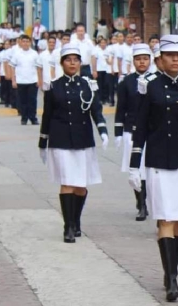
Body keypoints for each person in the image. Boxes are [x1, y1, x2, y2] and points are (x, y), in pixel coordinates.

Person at [128, 34, 178, 302]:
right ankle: (171, 277)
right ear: (159, 59)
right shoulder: (149, 86)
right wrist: (133, 166)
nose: (175, 59)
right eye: (170, 55)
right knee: (165, 218)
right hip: (159, 159)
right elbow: (140, 126)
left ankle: (172, 269)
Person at [38, 44, 108, 243]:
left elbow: (96, 110)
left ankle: (76, 220)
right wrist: (43, 141)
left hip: (82, 138)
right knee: (67, 182)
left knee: (81, 186)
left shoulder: (88, 85)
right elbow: (47, 115)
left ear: (80, 63)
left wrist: (103, 130)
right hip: (60, 139)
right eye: (68, 60)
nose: (72, 63)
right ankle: (68, 226)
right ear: (62, 63)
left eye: (75, 60)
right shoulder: (53, 86)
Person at [114, 43, 153, 222]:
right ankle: (141, 204)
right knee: (136, 170)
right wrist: (118, 132)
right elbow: (120, 108)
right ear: (133, 61)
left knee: (150, 169)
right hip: (132, 129)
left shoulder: (157, 80)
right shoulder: (127, 82)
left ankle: (150, 202)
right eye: (138, 59)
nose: (142, 62)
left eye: (145, 59)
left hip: (153, 130)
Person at [10, 35, 40, 125]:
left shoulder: (34, 54)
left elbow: (38, 67)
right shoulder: (17, 54)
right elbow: (12, 67)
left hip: (33, 80)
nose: (26, 43)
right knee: (22, 101)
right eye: (24, 41)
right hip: (21, 81)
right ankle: (24, 118)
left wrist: (39, 80)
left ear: (30, 43)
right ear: (21, 43)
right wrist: (13, 80)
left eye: (27, 41)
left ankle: (33, 118)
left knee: (32, 100)